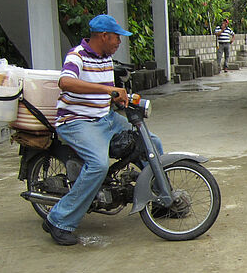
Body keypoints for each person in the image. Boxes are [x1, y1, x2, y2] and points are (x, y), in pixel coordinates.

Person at [43, 14, 164, 246]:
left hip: (105, 118)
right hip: (77, 121)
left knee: (152, 142)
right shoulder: (76, 55)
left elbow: (105, 94)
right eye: (117, 38)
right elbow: (65, 82)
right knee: (98, 165)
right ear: (103, 36)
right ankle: (58, 220)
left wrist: (121, 99)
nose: (119, 42)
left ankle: (160, 199)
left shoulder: (106, 59)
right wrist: (107, 91)